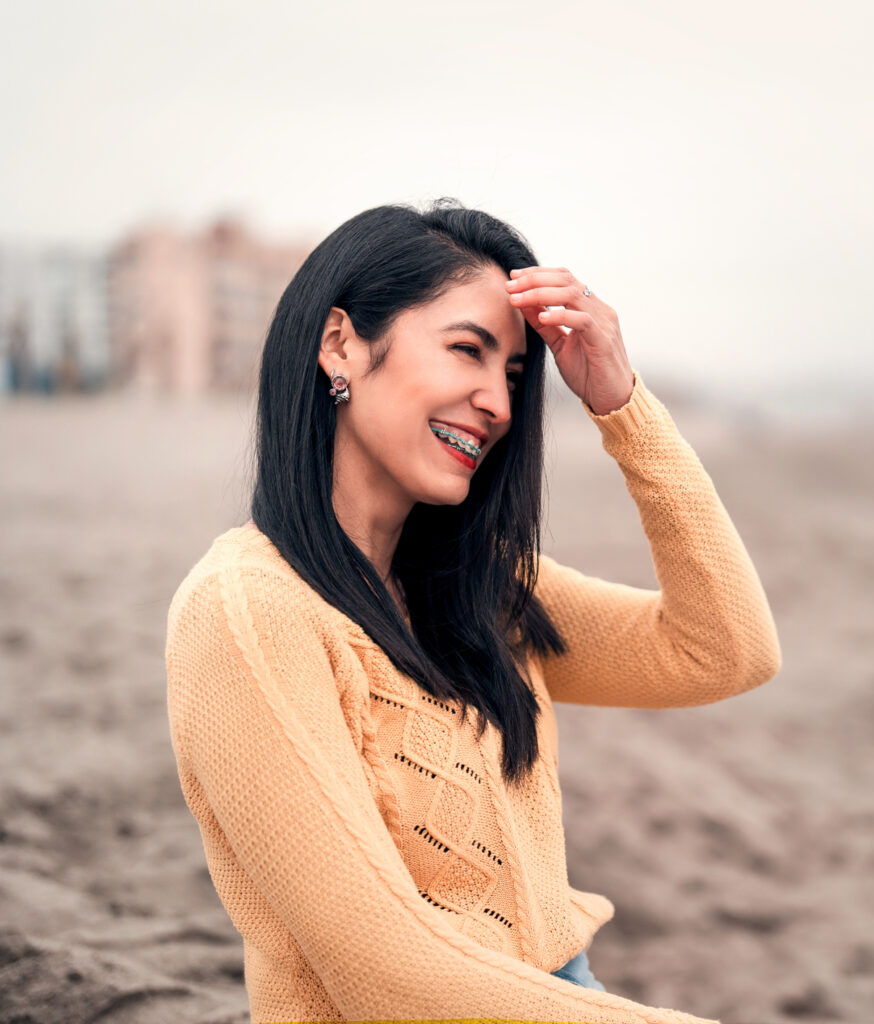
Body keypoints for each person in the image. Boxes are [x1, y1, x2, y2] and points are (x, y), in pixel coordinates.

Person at [163, 199, 782, 1023]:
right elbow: (389, 972)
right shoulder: (246, 611)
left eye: (516, 378)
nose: (495, 402)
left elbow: (725, 651)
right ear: (340, 343)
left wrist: (622, 408)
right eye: (467, 350)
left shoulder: (476, 588)